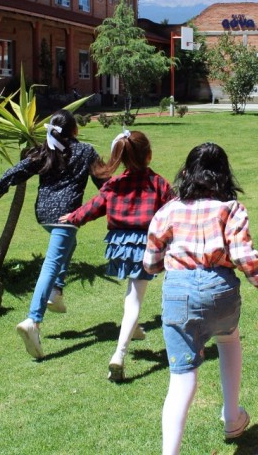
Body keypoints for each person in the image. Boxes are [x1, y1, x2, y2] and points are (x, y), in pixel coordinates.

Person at [144, 143, 258, 454]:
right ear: (223, 176)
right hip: (221, 292)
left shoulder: (167, 211)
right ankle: (232, 418)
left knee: (181, 379)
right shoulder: (231, 209)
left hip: (178, 295)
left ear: (185, 174)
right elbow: (246, 259)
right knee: (229, 337)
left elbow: (150, 263)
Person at [0, 109, 103, 359]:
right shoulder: (86, 151)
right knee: (52, 263)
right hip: (67, 216)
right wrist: (122, 197)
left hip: (44, 215)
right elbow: (105, 183)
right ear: (75, 131)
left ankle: (56, 291)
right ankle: (33, 321)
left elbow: (13, 173)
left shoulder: (43, 151)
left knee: (69, 245)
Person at [59, 129, 174, 382]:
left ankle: (136, 329)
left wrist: (74, 217)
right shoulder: (158, 184)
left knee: (133, 295)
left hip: (120, 246)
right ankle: (119, 354)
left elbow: (94, 206)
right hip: (147, 245)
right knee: (134, 300)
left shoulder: (114, 184)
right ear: (149, 155)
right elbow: (175, 212)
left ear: (121, 157)